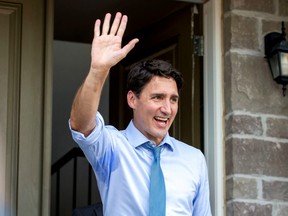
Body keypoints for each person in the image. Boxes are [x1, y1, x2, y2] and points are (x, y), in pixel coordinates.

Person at [69, 12, 212, 216]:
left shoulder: (194, 159)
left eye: (173, 99)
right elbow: (80, 123)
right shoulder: (112, 147)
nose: (167, 108)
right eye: (157, 97)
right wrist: (98, 70)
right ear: (132, 99)